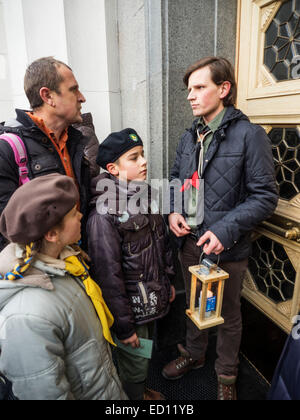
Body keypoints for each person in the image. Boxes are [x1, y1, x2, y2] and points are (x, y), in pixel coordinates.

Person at [161, 57, 278, 400]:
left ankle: (226, 377)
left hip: (227, 248)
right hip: (189, 244)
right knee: (195, 307)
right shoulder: (188, 136)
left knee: (227, 316)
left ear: (223, 89)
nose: (190, 96)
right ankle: (193, 355)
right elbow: (173, 181)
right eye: (189, 90)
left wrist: (225, 231)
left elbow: (265, 196)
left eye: (199, 88)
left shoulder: (249, 135)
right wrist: (173, 212)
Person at [0, 173, 127, 400]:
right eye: (72, 214)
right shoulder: (27, 318)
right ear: (51, 234)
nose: (80, 215)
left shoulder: (66, 262)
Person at [87, 128, 176, 400]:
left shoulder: (144, 195)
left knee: (143, 354)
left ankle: (139, 389)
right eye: (134, 158)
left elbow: (161, 244)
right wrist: (124, 327)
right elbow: (108, 277)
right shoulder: (104, 215)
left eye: (143, 155)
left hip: (151, 296)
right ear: (113, 168)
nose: (144, 162)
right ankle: (134, 397)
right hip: (131, 309)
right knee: (134, 358)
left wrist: (168, 280)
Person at [0, 56, 90, 251]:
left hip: (75, 262)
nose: (82, 97)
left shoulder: (75, 141)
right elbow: (5, 232)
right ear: (48, 96)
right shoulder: (7, 149)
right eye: (73, 89)